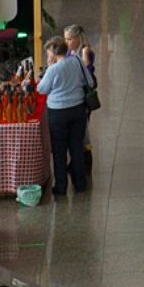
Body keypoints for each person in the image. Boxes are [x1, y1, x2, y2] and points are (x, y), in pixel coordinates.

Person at [37, 37, 94, 198]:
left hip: (58, 112)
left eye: (48, 53)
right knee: (76, 146)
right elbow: (88, 80)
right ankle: (80, 183)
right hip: (78, 109)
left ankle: (61, 186)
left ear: (54, 53)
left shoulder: (53, 70)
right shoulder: (76, 61)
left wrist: (49, 68)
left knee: (59, 150)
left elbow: (42, 89)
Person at [64, 23, 96, 173]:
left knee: (83, 131)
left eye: (69, 39)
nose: (67, 42)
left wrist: (85, 60)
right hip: (73, 92)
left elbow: (87, 72)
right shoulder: (68, 53)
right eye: (66, 39)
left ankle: (86, 161)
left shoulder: (86, 52)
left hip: (83, 95)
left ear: (77, 38)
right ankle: (76, 160)